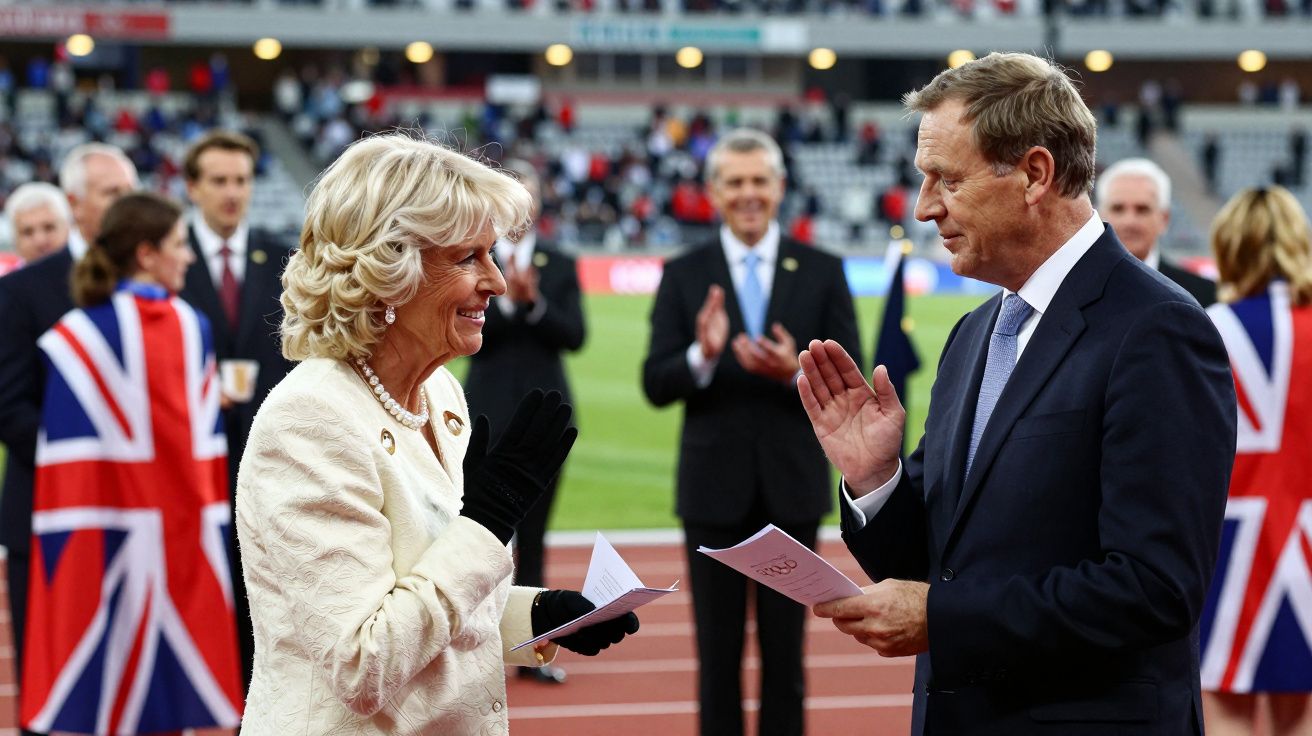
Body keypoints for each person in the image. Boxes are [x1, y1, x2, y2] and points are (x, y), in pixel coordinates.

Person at [799, 52, 1236, 735]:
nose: (922, 209)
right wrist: (877, 478)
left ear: (1034, 174)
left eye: (947, 179)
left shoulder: (1157, 330)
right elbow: (939, 562)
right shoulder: (974, 335)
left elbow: (1154, 590)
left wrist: (940, 619)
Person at [235, 134, 638, 734]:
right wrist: (489, 518)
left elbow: (435, 604)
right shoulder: (308, 421)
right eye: (467, 258)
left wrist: (540, 616)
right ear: (389, 270)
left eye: (492, 254)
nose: (497, 281)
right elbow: (363, 664)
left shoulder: (440, 395)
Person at [642, 128, 861, 736]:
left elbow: (850, 386)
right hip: (712, 492)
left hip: (791, 491)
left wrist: (797, 371)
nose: (748, 194)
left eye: (759, 181)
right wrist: (701, 357)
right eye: (734, 182)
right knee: (716, 660)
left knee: (787, 660)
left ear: (780, 187)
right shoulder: (685, 274)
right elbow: (656, 383)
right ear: (713, 191)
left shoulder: (822, 270)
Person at [20, 192, 243, 732]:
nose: (188, 256)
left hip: (97, 544)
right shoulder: (186, 327)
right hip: (176, 537)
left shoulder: (73, 336)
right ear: (146, 254)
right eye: (176, 245)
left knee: (98, 694)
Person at [0, 143, 137, 733]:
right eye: (112, 194)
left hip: (137, 521)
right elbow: (10, 409)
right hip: (48, 518)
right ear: (77, 204)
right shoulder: (23, 290)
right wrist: (91, 464)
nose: (125, 204)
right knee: (51, 693)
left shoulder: (150, 284)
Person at [177, 129, 294, 692]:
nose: (232, 193)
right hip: (184, 459)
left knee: (259, 600)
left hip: (265, 459)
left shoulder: (282, 259)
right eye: (219, 181)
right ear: (192, 187)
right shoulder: (168, 259)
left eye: (242, 181)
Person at [464, 158, 586, 685]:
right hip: (484, 414)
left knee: (534, 536)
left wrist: (534, 303)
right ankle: (470, 644)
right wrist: (505, 303)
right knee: (478, 535)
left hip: (546, 416)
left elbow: (576, 335)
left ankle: (528, 647)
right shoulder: (472, 258)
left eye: (528, 192)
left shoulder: (558, 261)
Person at [1199, 186, 1312, 736]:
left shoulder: (1205, 326)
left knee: (1224, 704)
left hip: (1227, 540)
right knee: (1301, 708)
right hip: (1306, 534)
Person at [1096, 157, 1216, 305]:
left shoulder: (1204, 295)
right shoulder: (1076, 288)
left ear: (1164, 219)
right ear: (1099, 216)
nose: (1129, 221)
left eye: (1142, 209)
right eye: (1118, 209)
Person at [3, 182, 71, 265]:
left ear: (68, 229)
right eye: (27, 232)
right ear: (15, 241)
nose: (40, 241)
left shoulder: (89, 274)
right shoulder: (6, 277)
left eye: (49, 228)